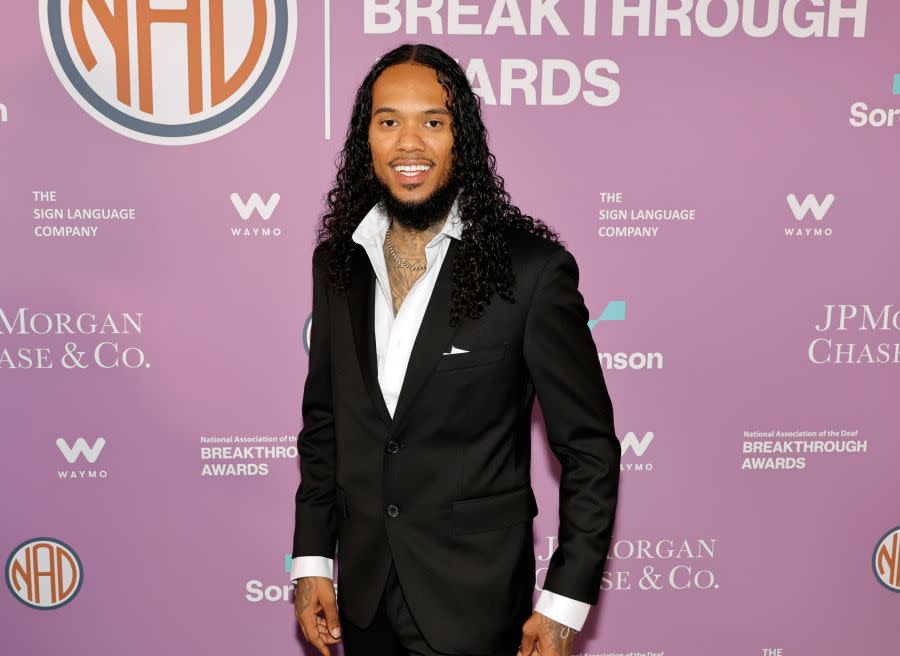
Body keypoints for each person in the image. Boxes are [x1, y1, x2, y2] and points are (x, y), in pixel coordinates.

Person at [290, 43, 620, 656]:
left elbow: (590, 451)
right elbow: (326, 423)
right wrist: (312, 557)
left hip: (475, 601)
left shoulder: (530, 273)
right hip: (363, 598)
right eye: (389, 122)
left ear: (460, 140)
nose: (409, 144)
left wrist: (564, 605)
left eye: (433, 123)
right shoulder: (337, 263)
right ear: (367, 140)